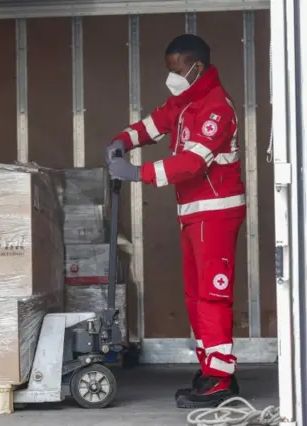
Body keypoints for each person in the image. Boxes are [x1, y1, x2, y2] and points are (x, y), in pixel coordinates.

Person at [105, 34, 246, 409]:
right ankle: (211, 369)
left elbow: (193, 163)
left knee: (213, 296)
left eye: (177, 69)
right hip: (194, 213)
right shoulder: (186, 102)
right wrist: (122, 140)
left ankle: (220, 379)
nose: (173, 76)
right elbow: (154, 124)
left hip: (216, 211)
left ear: (196, 66)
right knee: (196, 297)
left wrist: (138, 172)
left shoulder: (217, 108)